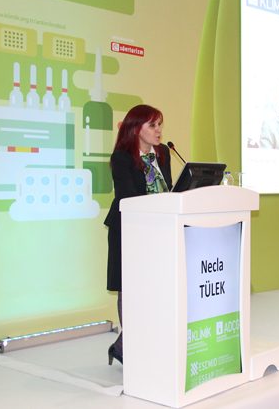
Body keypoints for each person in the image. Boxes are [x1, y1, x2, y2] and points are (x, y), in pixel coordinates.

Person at [104, 104, 172, 365]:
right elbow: (128, 197)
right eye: (152, 125)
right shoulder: (122, 157)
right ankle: (129, 347)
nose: (158, 130)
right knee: (130, 287)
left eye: (159, 124)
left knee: (155, 286)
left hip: (160, 229)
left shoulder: (163, 153)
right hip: (129, 229)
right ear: (136, 129)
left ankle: (122, 346)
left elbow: (168, 189)